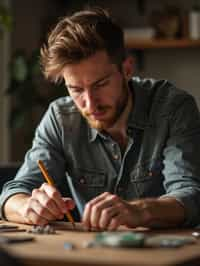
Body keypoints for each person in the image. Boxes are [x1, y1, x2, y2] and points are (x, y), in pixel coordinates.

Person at [1, 7, 200, 231]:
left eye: (100, 85)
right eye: (75, 89)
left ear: (126, 69)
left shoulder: (173, 108)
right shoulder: (60, 118)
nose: (90, 103)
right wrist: (28, 206)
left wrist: (140, 210)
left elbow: (191, 196)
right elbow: (12, 194)